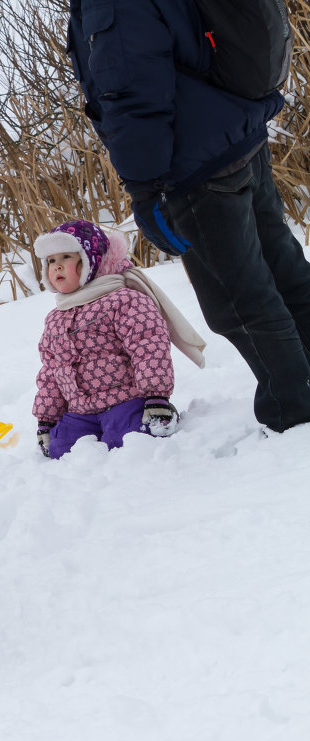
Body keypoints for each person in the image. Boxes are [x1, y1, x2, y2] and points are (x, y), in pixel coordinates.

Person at [68, 2, 310, 434]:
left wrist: (145, 187)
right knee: (283, 269)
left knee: (238, 301)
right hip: (236, 132)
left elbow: (131, 88)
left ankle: (292, 411)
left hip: (195, 164)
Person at [33, 220, 207, 459]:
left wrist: (156, 396)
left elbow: (148, 347)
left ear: (90, 260)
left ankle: (162, 418)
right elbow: (52, 371)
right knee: (61, 450)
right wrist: (47, 419)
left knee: (129, 440)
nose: (57, 267)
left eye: (66, 257)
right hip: (81, 410)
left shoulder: (123, 300)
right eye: (51, 261)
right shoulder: (55, 318)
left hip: (126, 400)